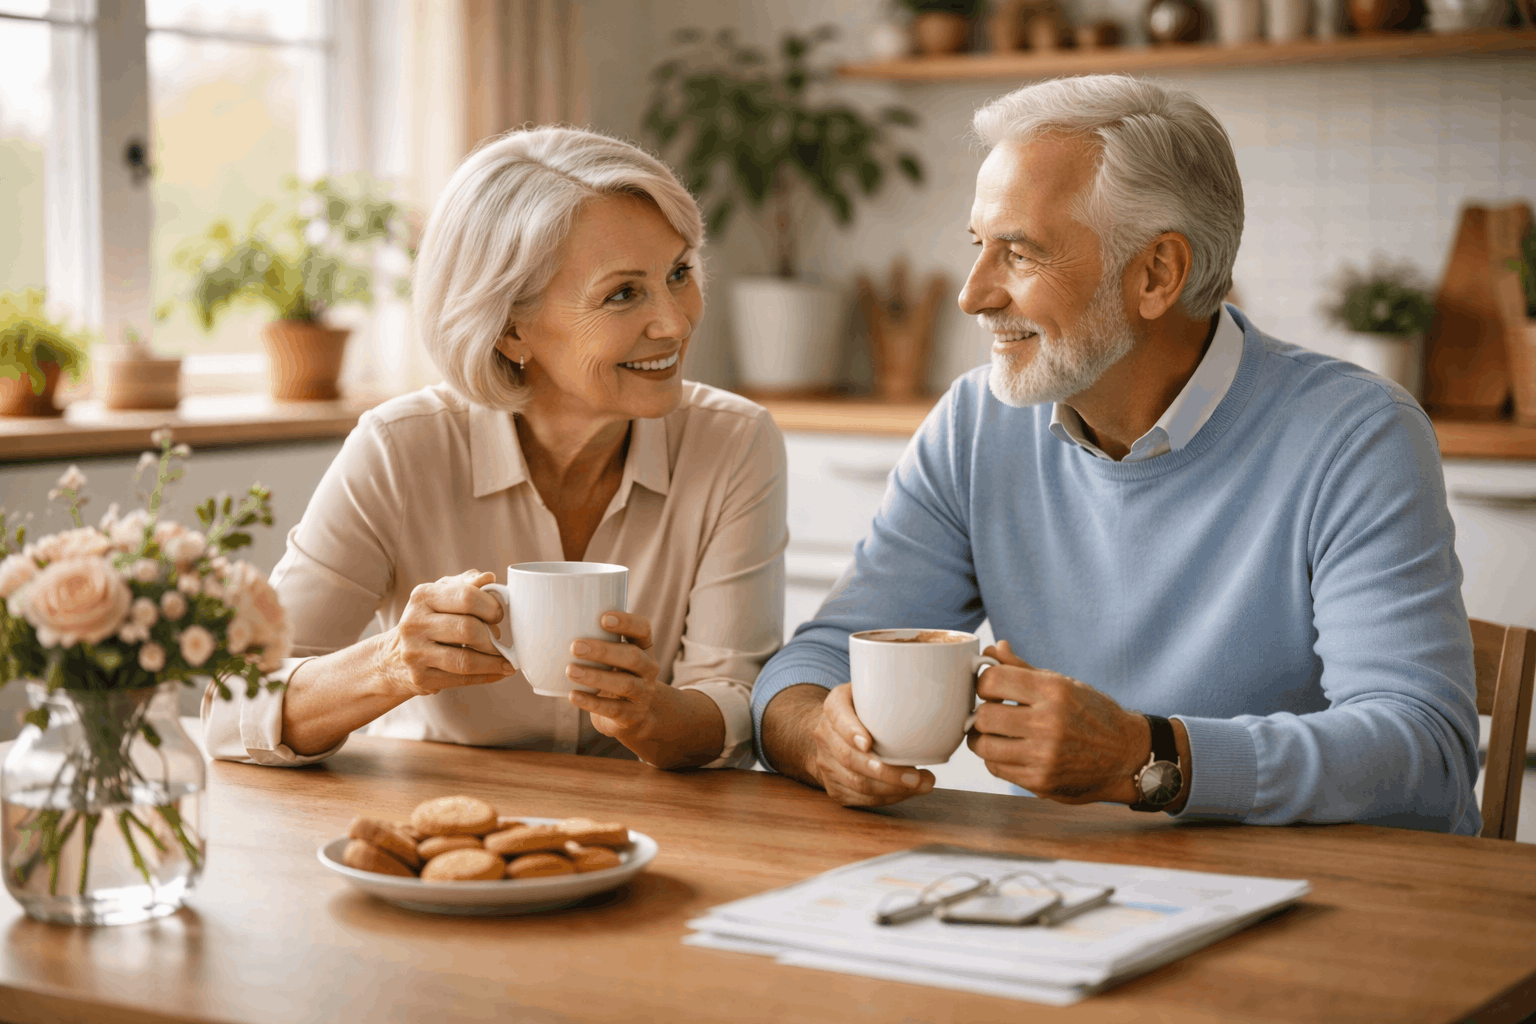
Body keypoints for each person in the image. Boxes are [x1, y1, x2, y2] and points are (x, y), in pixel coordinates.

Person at [751, 75, 1481, 834]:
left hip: (1332, 902)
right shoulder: (976, 421)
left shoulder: (1356, 433)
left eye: (1019, 254)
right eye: (979, 247)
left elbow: (1426, 753)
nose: (972, 295)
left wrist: (1145, 757)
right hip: (1072, 895)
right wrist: (819, 740)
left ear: (1157, 274)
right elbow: (811, 666)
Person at [204, 126, 787, 770]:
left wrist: (652, 714)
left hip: (653, 828)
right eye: (623, 293)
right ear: (511, 330)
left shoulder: (733, 441)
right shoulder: (401, 449)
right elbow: (232, 708)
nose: (675, 322)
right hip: (445, 827)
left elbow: (735, 702)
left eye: (679, 273)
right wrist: (392, 664)